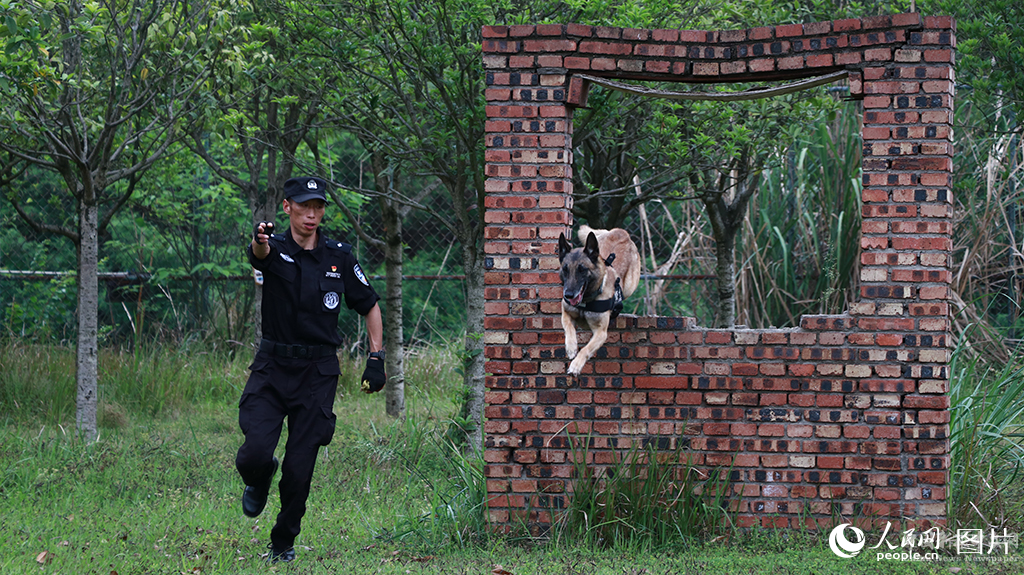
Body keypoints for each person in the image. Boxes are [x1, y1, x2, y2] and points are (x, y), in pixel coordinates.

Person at [235, 176, 387, 564]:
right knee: (253, 454)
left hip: (317, 373)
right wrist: (259, 239)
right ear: (288, 207)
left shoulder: (339, 257)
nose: (312, 214)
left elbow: (370, 304)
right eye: (304, 207)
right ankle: (259, 476)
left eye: (318, 207)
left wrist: (376, 357)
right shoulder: (274, 247)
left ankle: (282, 544)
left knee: (299, 470)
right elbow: (258, 253)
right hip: (272, 367)